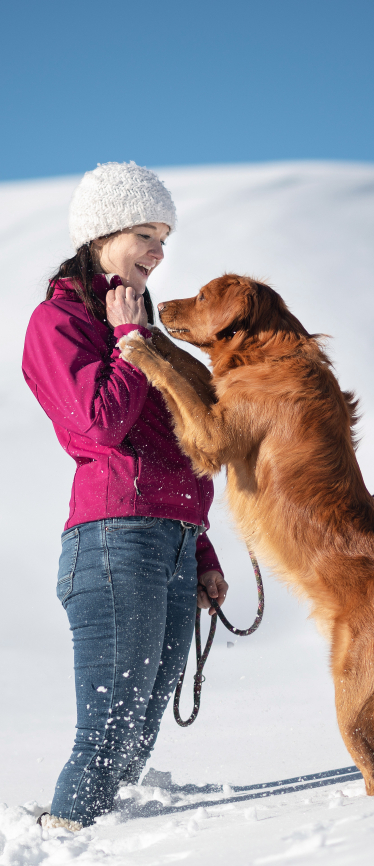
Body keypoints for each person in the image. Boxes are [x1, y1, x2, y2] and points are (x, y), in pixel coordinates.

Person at [22, 161, 228, 831]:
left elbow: (178, 447)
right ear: (103, 232)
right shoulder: (57, 322)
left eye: (164, 236)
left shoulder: (133, 323)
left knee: (139, 730)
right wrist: (129, 341)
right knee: (107, 733)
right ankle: (64, 838)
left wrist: (201, 548)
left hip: (168, 541)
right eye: (147, 233)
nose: (160, 251)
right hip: (114, 539)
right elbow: (98, 423)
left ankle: (106, 841)